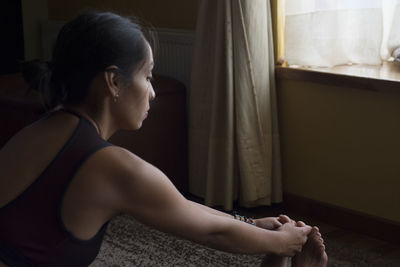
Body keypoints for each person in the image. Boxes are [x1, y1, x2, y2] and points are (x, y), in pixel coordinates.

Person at [0, 11, 327, 267]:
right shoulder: (110, 166)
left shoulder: (38, 130)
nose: (153, 92)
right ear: (113, 81)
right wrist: (284, 243)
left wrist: (253, 224)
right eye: (148, 75)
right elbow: (213, 232)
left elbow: (181, 206)